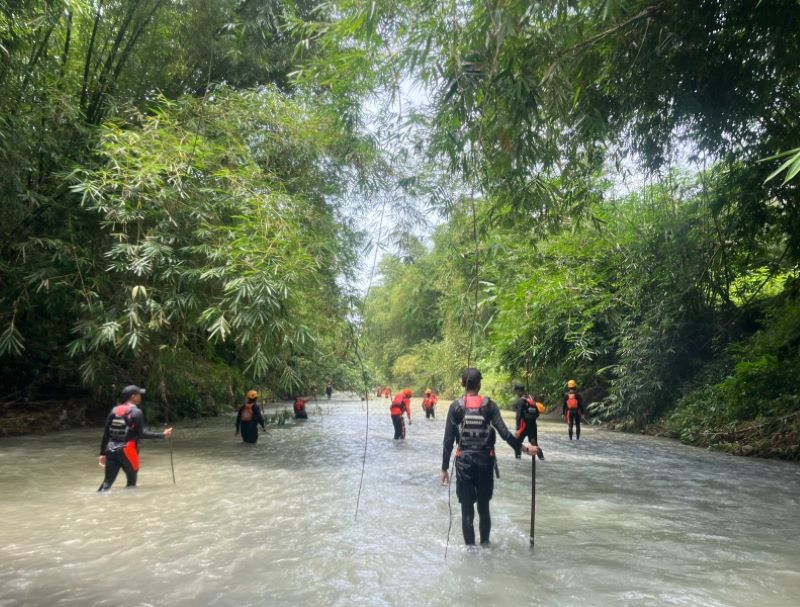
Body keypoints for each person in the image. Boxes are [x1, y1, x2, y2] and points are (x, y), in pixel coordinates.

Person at [440, 368, 538, 547]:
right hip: (486, 463)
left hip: (464, 465)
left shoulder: (456, 407)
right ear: (479, 384)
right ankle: (485, 545)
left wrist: (444, 468)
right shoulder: (489, 406)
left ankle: (471, 551)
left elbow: (448, 441)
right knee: (483, 508)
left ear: (463, 384)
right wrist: (524, 448)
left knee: (467, 511)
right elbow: (505, 434)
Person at [98, 385, 172, 491]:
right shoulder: (136, 412)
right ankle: (131, 505)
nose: (140, 397)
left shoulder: (115, 410)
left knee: (107, 483)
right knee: (131, 484)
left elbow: (106, 433)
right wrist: (163, 435)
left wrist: (102, 453)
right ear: (133, 397)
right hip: (127, 449)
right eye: (139, 394)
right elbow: (142, 434)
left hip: (111, 448)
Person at [512, 382, 546, 460]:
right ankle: (542, 460)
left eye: (516, 391)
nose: (516, 393)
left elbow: (518, 416)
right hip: (533, 425)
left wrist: (517, 430)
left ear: (518, 391)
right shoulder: (531, 398)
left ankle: (518, 460)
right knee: (534, 445)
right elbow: (537, 413)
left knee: (517, 444)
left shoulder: (521, 401)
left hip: (523, 426)